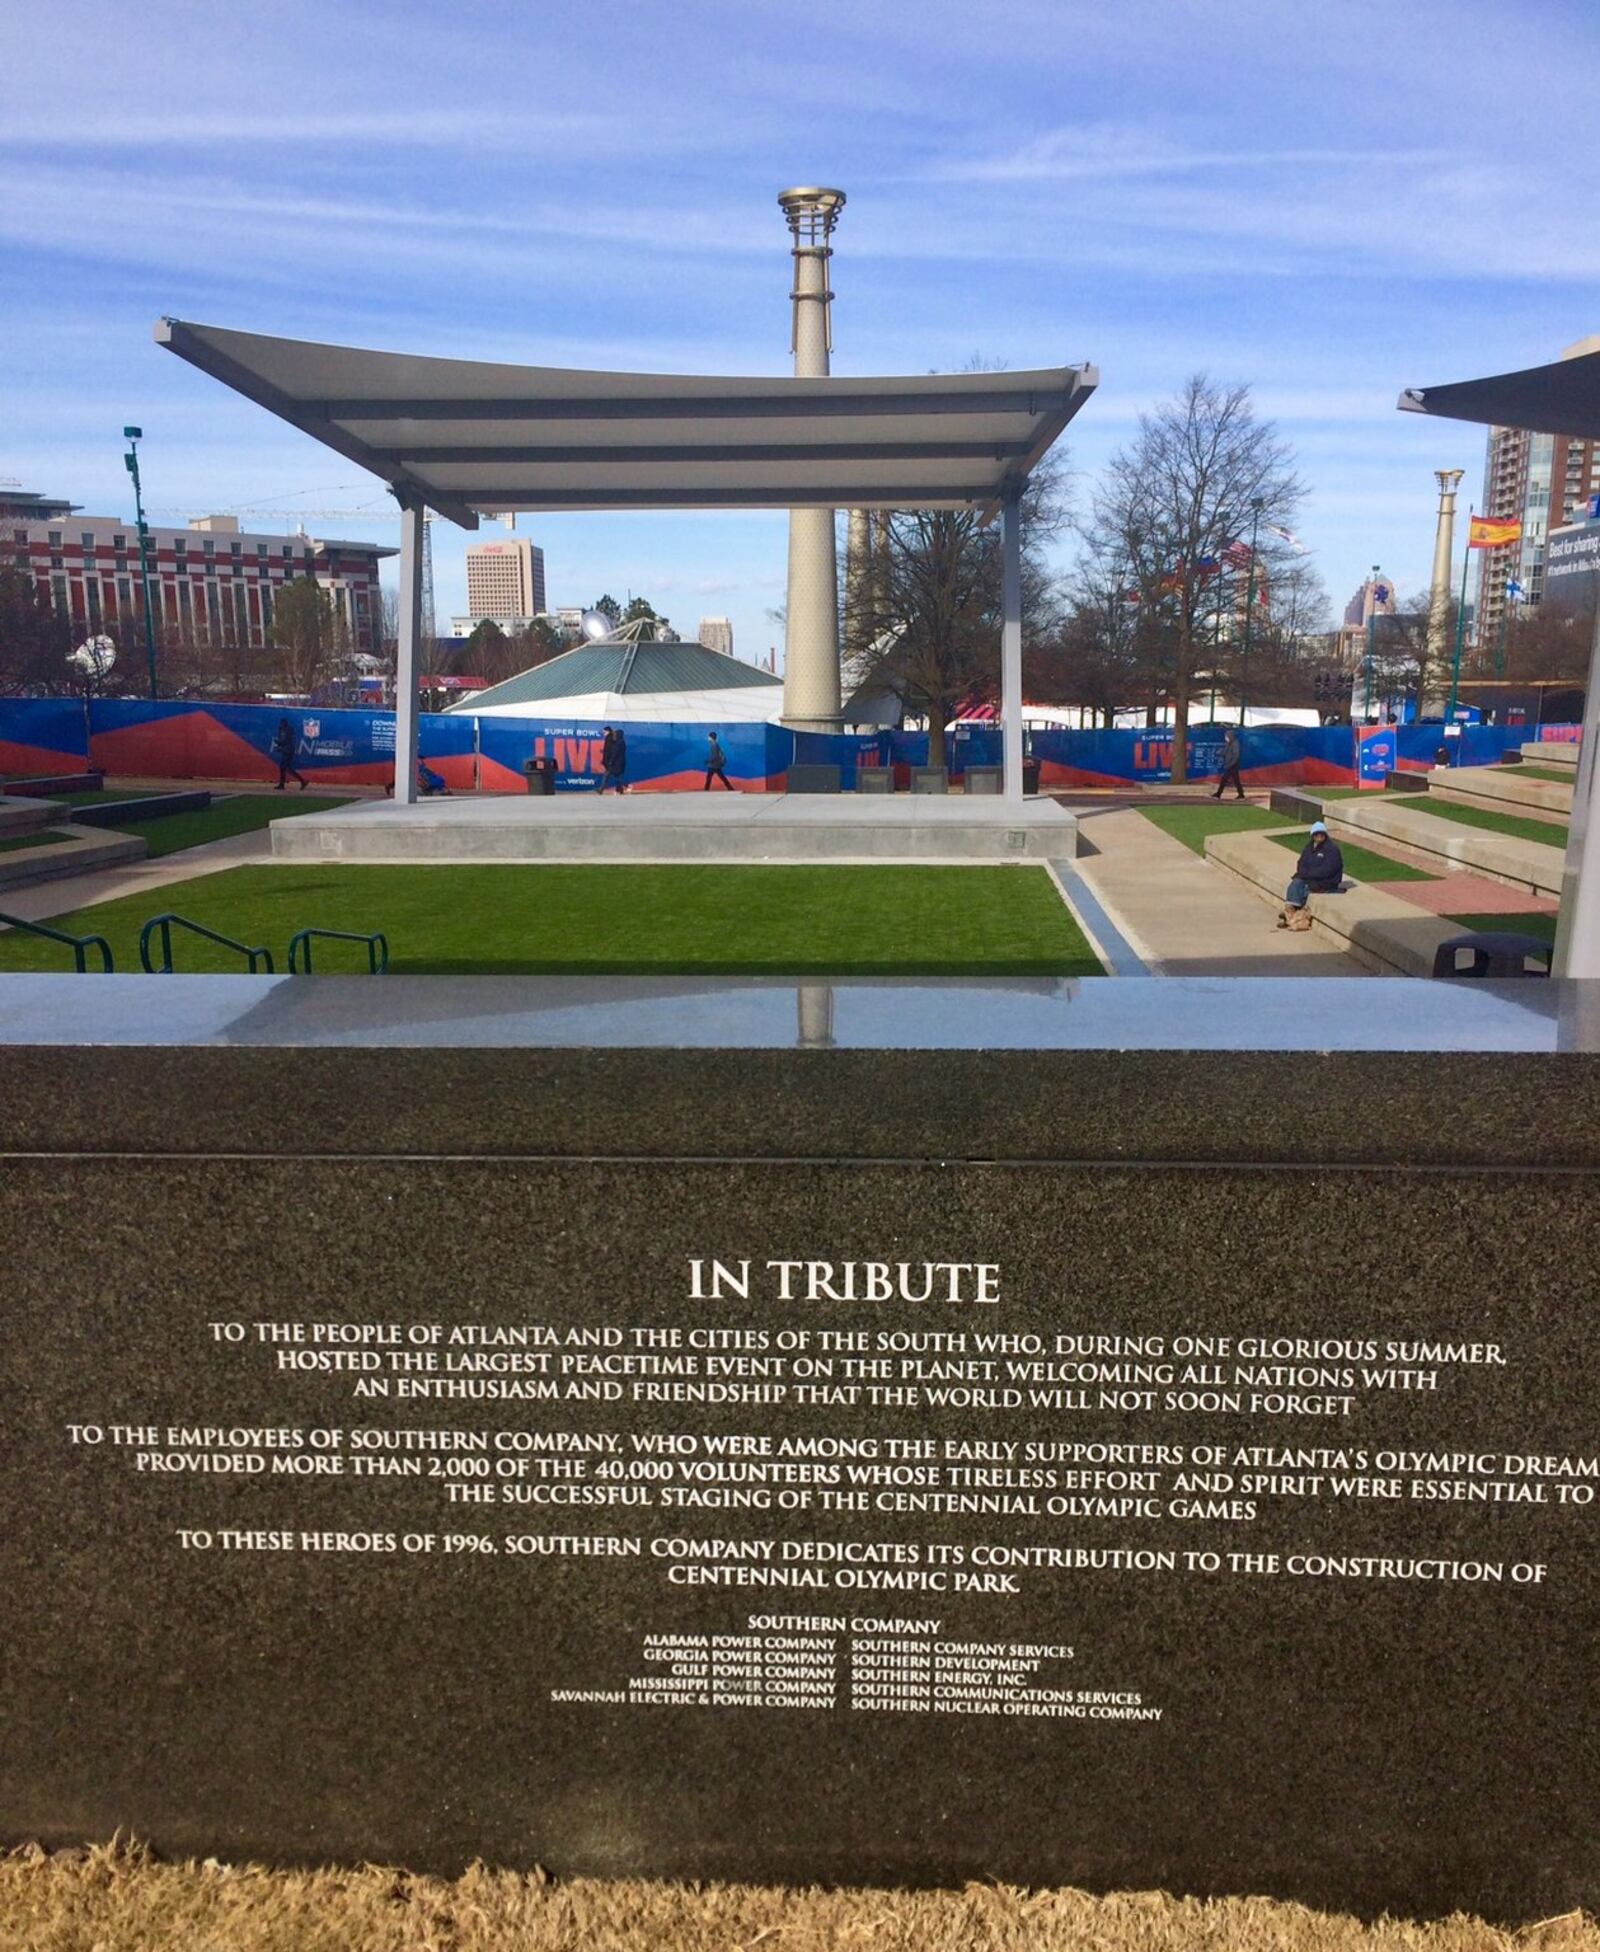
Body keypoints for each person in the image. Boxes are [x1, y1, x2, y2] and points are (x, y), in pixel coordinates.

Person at [1277, 819, 1344, 930]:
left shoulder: (1332, 849)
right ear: (1312, 835)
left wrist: (1307, 874)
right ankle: (1291, 913)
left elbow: (1328, 870)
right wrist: (1303, 873)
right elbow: (1301, 863)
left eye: (1321, 834)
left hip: (1326, 882)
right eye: (1316, 834)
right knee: (1296, 882)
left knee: (1303, 887)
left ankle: (1290, 914)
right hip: (1309, 878)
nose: (1319, 836)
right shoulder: (1309, 848)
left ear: (1325, 835)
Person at [272, 715, 308, 791]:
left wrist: (277, 742)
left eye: (281, 724)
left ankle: (302, 781)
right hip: (287, 750)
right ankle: (282, 785)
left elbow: (284, 740)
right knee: (283, 768)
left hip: (287, 751)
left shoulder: (286, 730)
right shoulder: (284, 730)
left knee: (287, 768)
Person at [1213, 726, 1245, 802]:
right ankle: (1241, 795)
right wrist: (1218, 752)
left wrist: (1231, 764)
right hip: (1231, 765)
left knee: (1224, 779)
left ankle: (1218, 794)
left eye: (1226, 736)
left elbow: (1236, 755)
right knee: (1236, 781)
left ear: (1230, 736)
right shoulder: (1229, 743)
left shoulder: (1235, 744)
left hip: (1232, 766)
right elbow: (1225, 752)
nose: (1225, 738)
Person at [601, 726, 627, 794]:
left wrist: (611, 761)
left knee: (607, 775)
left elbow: (614, 752)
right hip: (618, 762)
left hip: (615, 763)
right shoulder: (621, 742)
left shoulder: (617, 742)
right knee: (617, 776)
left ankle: (601, 789)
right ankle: (621, 789)